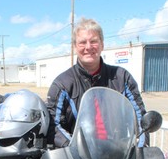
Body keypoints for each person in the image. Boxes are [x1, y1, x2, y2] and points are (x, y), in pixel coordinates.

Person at [46, 17, 148, 148]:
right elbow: (53, 125)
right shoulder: (62, 83)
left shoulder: (122, 77)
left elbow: (140, 118)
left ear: (102, 45)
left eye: (93, 41)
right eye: (82, 42)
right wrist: (75, 149)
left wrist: (140, 152)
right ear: (75, 47)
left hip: (118, 155)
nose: (88, 47)